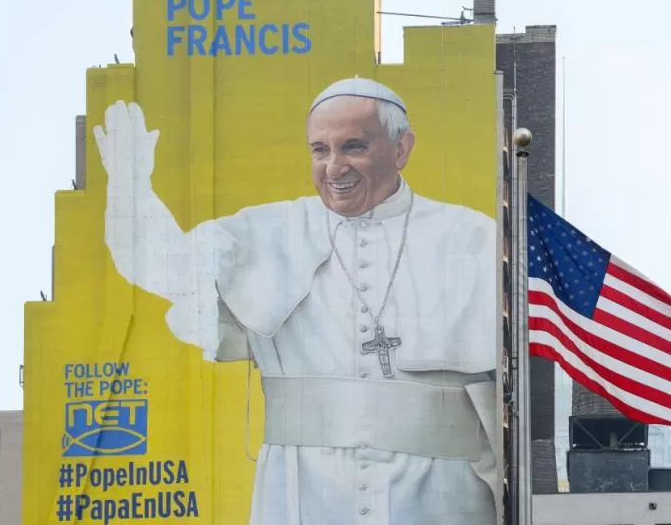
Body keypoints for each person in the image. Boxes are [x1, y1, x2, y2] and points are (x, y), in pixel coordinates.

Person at [94, 76, 498, 525]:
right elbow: (164, 267)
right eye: (320, 150)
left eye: (353, 147)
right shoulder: (271, 232)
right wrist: (129, 186)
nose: (334, 168)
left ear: (401, 149)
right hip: (304, 490)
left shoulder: (472, 238)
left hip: (438, 496)